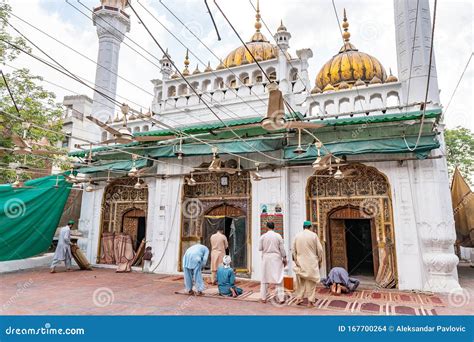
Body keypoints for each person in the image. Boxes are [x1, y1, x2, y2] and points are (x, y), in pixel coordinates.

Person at [292, 220, 324, 306]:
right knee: (311, 283)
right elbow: (320, 250)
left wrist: (296, 261)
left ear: (303, 227)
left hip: (300, 262)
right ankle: (310, 301)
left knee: (300, 282)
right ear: (310, 227)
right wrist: (319, 260)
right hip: (311, 263)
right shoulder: (314, 235)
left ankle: (299, 298)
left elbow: (293, 250)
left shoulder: (297, 235)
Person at [259, 221, 287, 303]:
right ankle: (281, 298)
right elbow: (282, 249)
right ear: (274, 227)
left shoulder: (263, 236)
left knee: (264, 278)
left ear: (266, 227)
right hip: (276, 258)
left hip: (266, 258)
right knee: (279, 278)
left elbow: (260, 248)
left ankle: (263, 298)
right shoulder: (278, 236)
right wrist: (284, 258)